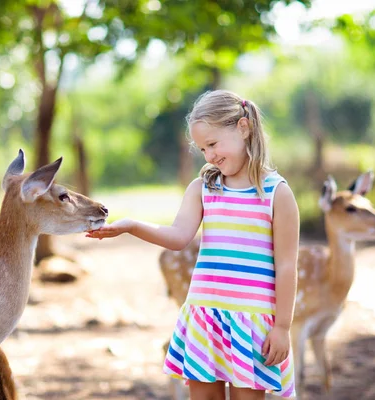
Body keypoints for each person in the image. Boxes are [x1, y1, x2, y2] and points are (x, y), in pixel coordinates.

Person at [87, 90, 299, 400]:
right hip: (206, 318)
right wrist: (131, 226)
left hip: (252, 324)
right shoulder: (203, 188)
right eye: (202, 149)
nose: (209, 155)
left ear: (243, 128)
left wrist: (282, 327)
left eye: (213, 144)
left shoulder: (277, 193)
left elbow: (286, 265)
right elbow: (177, 237)